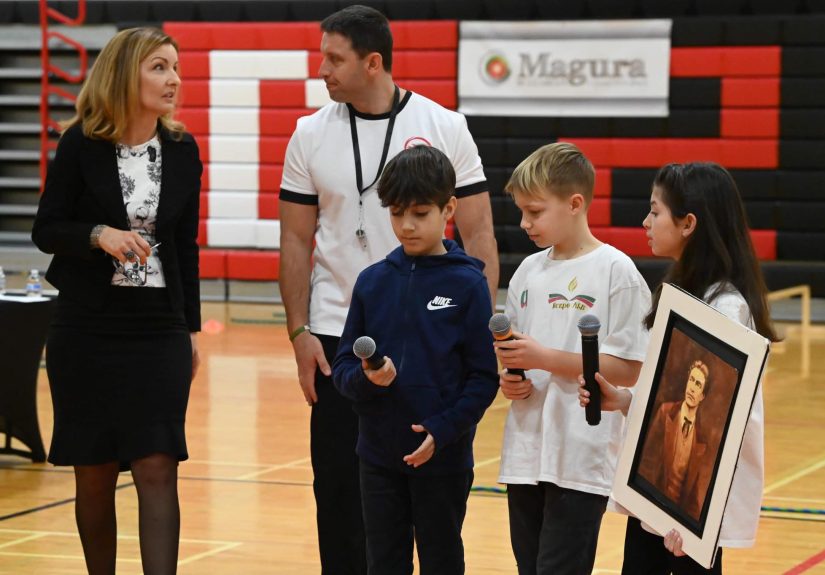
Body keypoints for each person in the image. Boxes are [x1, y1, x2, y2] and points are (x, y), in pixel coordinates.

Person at [278, 5, 498, 572]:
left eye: (334, 59)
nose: (322, 69)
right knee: (341, 497)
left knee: (434, 514)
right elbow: (296, 240)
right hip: (340, 339)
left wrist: (474, 326)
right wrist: (299, 332)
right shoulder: (308, 133)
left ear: (373, 62)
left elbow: (478, 234)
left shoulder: (446, 126)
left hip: (431, 340)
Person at [31, 27, 201, 575]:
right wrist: (97, 234)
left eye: (175, 67)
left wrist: (190, 331)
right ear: (126, 74)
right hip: (86, 329)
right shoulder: (81, 143)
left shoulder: (183, 150)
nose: (173, 79)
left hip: (159, 330)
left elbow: (186, 247)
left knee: (158, 466)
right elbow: (46, 228)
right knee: (95, 471)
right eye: (159, 67)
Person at [578, 162, 778, 574]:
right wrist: (625, 401)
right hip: (655, 496)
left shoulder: (725, 308)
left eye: (655, 211)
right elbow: (668, 395)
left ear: (688, 224)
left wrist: (690, 518)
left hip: (688, 513)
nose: (645, 221)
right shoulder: (679, 295)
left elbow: (720, 427)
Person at [331, 145, 499, 574]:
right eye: (396, 213)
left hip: (442, 459)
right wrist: (368, 380)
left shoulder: (468, 284)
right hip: (377, 458)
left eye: (420, 214)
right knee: (384, 563)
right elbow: (344, 368)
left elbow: (484, 378)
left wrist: (442, 431)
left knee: (442, 562)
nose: (406, 226)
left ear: (449, 209)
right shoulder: (371, 283)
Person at [493, 142, 651, 575]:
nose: (524, 223)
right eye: (521, 212)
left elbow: (628, 368)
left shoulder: (617, 271)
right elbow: (517, 357)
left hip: (581, 455)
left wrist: (545, 357)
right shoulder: (527, 271)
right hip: (526, 453)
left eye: (535, 211)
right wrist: (512, 378)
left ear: (575, 204)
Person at [638, 360, 713, 521]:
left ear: (702, 396)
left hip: (675, 519)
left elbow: (693, 495)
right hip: (650, 508)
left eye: (698, 385)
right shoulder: (665, 413)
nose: (692, 388)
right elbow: (646, 465)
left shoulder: (700, 440)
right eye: (691, 380)